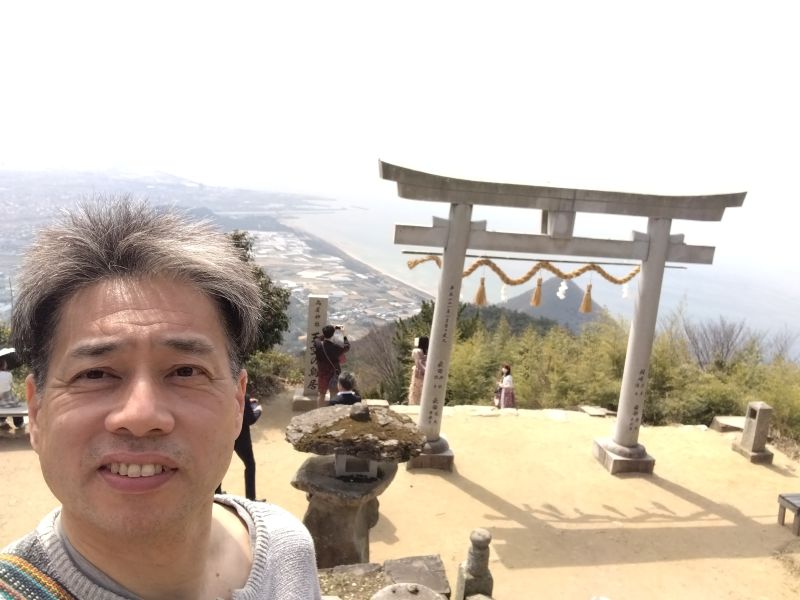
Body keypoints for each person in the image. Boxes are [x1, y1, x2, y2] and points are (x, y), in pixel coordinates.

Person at [1, 199, 321, 599]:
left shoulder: (286, 551)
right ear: (36, 412)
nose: (142, 415)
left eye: (186, 371)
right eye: (95, 374)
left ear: (238, 402)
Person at [216, 394, 262, 501]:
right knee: (250, 465)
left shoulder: (221, 393)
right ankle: (251, 498)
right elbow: (250, 419)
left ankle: (217, 492)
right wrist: (258, 411)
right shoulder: (243, 397)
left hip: (224, 436)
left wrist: (248, 401)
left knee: (220, 464)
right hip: (242, 439)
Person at [313, 324, 350, 407]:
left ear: (324, 333)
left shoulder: (318, 344)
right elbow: (347, 346)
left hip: (322, 373)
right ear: (333, 335)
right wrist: (344, 334)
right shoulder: (335, 348)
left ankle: (318, 411)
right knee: (333, 394)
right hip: (333, 374)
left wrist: (329, 331)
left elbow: (318, 338)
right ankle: (331, 412)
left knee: (321, 395)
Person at [0, 357, 24, 430]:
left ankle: (2, 420)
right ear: (4, 365)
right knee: (15, 405)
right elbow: (10, 385)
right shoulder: (9, 374)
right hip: (6, 398)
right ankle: (18, 424)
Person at [407, 336, 429, 405]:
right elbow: (418, 363)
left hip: (422, 371)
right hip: (420, 371)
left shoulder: (423, 351)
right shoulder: (417, 351)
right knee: (417, 389)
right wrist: (426, 371)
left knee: (419, 390)